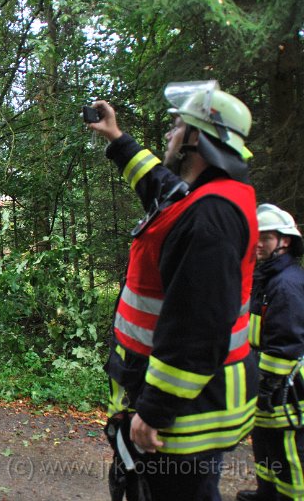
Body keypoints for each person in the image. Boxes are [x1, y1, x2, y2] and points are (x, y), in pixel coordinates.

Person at [88, 80, 258, 500]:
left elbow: (198, 329)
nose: (169, 133)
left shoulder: (210, 220)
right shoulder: (200, 198)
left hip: (185, 416)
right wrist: (116, 137)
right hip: (187, 403)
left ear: (197, 139)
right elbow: (157, 182)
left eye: (178, 125)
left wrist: (154, 411)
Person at [237, 204, 304, 501]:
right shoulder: (265, 279)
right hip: (265, 384)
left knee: (288, 452)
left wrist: (268, 386)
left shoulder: (287, 284)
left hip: (286, 390)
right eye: (256, 237)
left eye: (266, 237)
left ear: (285, 241)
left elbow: (285, 344)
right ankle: (267, 493)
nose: (259, 243)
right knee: (264, 443)